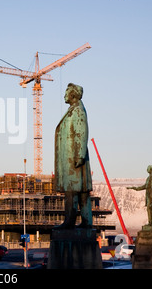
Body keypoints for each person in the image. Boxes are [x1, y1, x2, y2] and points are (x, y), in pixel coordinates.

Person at [54, 83, 92, 229]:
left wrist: (80, 155)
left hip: (74, 157)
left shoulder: (78, 110)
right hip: (72, 156)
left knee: (72, 190)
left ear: (73, 95)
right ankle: (87, 222)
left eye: (66, 92)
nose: (64, 95)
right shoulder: (74, 110)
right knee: (82, 191)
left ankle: (69, 221)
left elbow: (82, 132)